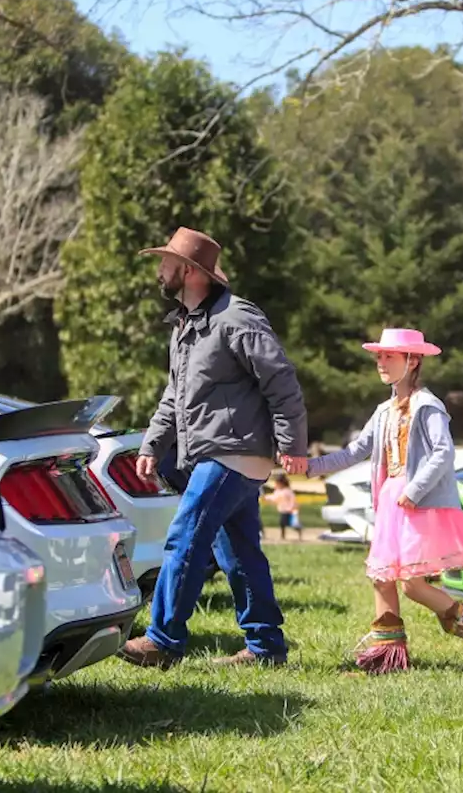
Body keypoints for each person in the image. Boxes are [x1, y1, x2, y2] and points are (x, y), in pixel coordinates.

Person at [119, 227, 308, 670]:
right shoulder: (186, 328)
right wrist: (153, 442)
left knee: (185, 536)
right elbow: (174, 395)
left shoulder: (236, 318)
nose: (159, 271)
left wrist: (291, 445)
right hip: (216, 453)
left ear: (188, 271)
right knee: (237, 551)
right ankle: (266, 647)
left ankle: (163, 640)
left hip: (233, 453)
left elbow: (282, 381)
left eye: (165, 263)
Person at [306, 328, 463, 674]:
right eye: (379, 356)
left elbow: (443, 452)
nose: (381, 363)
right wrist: (311, 466)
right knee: (381, 577)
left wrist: (414, 490)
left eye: (389, 357)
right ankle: (388, 654)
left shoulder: (428, 406)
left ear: (412, 361)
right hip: (390, 503)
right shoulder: (384, 410)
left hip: (414, 502)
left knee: (412, 585)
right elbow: (356, 450)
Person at [263, 473, 302, 541]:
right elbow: (274, 498)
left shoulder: (287, 491)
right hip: (283, 510)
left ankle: (299, 532)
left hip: (290, 510)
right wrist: (266, 498)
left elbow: (292, 499)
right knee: (282, 523)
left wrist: (292, 507)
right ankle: (283, 535)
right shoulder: (278, 491)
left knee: (292, 523)